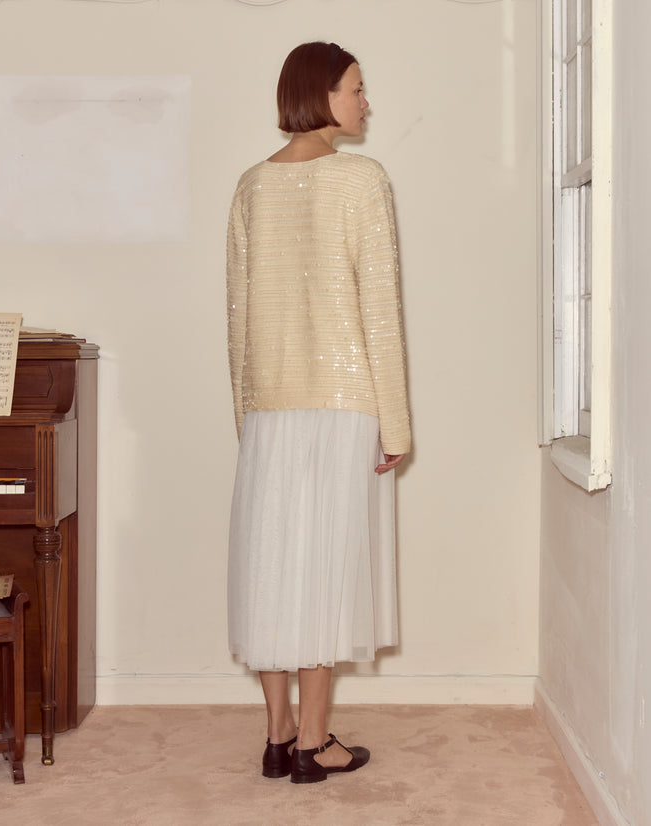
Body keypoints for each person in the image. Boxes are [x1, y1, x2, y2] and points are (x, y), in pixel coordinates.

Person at [226, 41, 411, 785]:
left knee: (272, 571)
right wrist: (395, 425)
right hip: (344, 407)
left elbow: (236, 318)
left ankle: (277, 739)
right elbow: (382, 313)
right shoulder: (362, 181)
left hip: (271, 409)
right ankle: (314, 741)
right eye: (358, 89)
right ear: (321, 94)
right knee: (325, 572)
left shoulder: (250, 186)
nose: (367, 103)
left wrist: (249, 416)